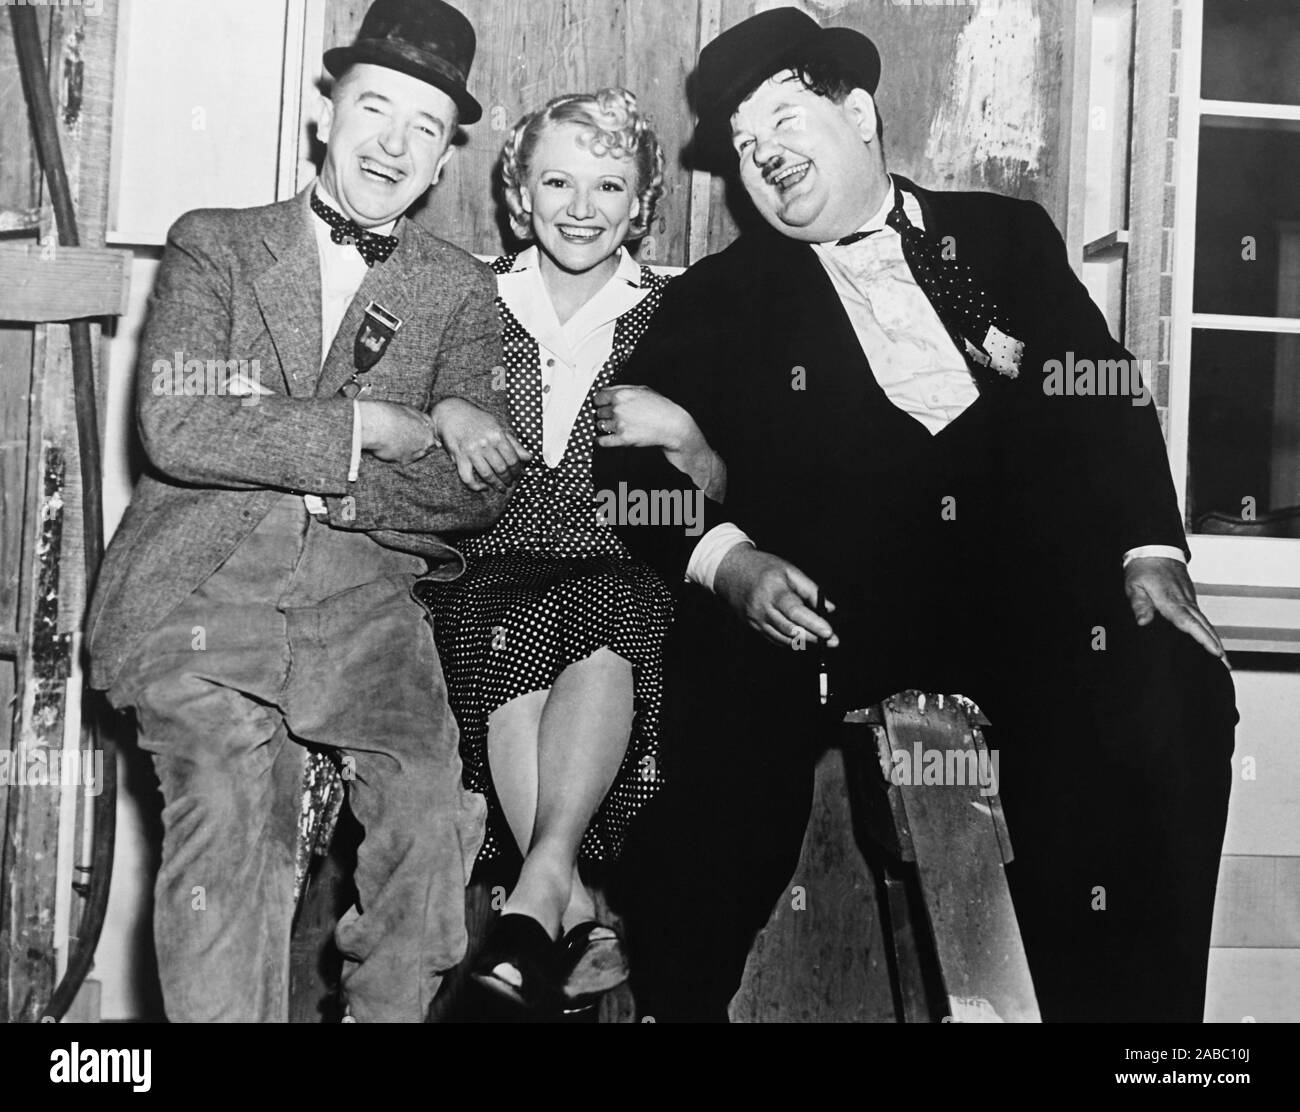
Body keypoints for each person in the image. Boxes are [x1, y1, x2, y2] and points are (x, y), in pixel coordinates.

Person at [596, 7, 1238, 1023]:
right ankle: (677, 1004)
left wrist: (1147, 548)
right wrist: (727, 562)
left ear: (856, 112)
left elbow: (1095, 386)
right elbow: (619, 468)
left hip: (1023, 604)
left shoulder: (1003, 238)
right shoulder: (721, 298)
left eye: (781, 119)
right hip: (825, 611)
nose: (762, 155)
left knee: (1170, 682)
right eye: (742, 144)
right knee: (716, 755)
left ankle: (1134, 1031)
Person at [85, 0, 525, 1023]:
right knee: (232, 817)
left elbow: (483, 483)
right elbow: (181, 426)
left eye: (424, 126)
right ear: (325, 114)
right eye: (375, 108)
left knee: (431, 819)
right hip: (201, 594)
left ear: (446, 157)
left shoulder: (463, 294)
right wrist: (373, 422)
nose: (392, 143)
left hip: (363, 609)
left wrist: (304, 453)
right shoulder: (217, 246)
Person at [417, 88, 718, 1013]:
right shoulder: (466, 294)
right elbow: (395, 405)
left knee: (610, 602)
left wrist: (690, 435)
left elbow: (723, 491)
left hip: (618, 562)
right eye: (558, 182)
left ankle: (536, 900)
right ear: (519, 196)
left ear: (641, 205)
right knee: (503, 618)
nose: (582, 207)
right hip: (486, 567)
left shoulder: (680, 312)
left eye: (608, 185)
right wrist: (443, 409)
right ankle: (570, 906)